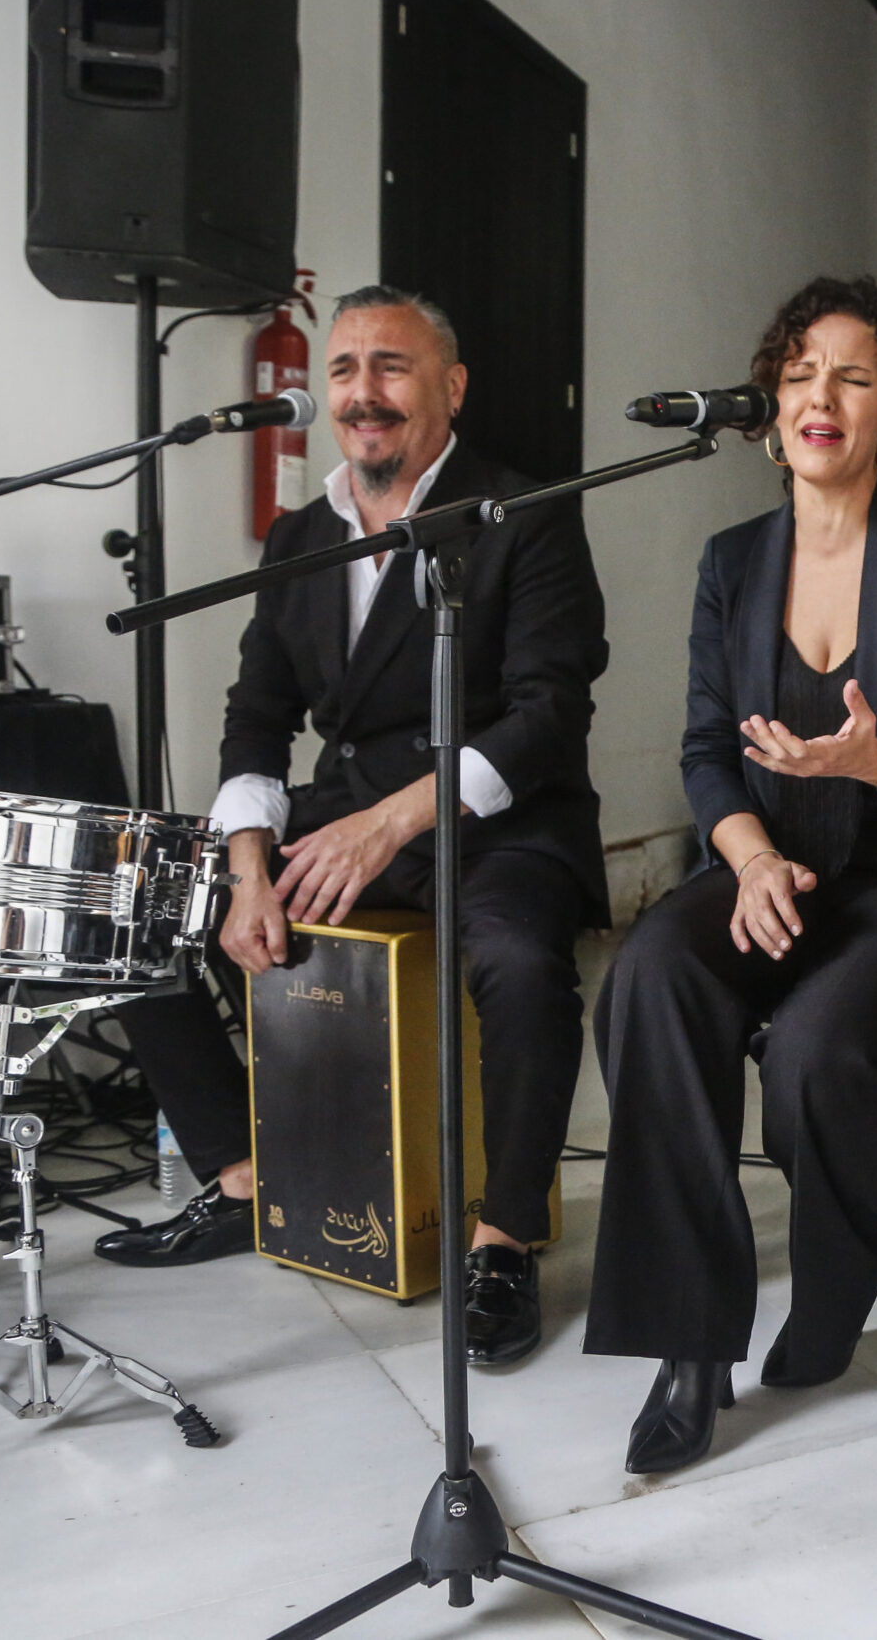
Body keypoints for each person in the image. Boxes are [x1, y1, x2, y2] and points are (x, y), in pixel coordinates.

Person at [582, 275, 877, 1474]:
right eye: (799, 374)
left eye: (853, 375)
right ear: (766, 407)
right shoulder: (732, 560)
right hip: (779, 863)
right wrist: (742, 861)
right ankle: (689, 1340)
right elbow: (706, 751)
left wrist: (872, 758)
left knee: (816, 1044)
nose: (821, 396)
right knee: (650, 976)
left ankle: (843, 1270)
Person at [97, 284, 610, 1371]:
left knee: (520, 960)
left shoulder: (524, 511)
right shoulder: (299, 534)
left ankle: (503, 1239)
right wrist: (245, 867)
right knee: (140, 901)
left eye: (390, 367)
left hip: (497, 816)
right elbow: (256, 718)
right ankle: (239, 1179)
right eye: (343, 371)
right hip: (346, 814)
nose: (362, 394)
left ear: (450, 386)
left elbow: (548, 714)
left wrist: (389, 824)